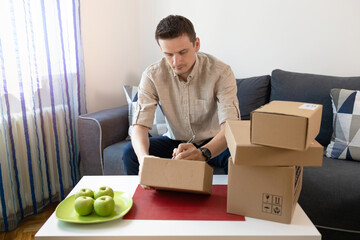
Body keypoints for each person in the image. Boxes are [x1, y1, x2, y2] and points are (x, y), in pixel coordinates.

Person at [123, 15, 240, 179]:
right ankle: (147, 202)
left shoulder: (221, 72)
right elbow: (139, 126)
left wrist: (203, 153)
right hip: (174, 143)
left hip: (214, 142)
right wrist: (144, 160)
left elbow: (231, 127)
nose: (176, 61)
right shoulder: (152, 75)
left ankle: (231, 204)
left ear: (196, 44)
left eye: (182, 52)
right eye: (168, 54)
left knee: (238, 155)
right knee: (130, 153)